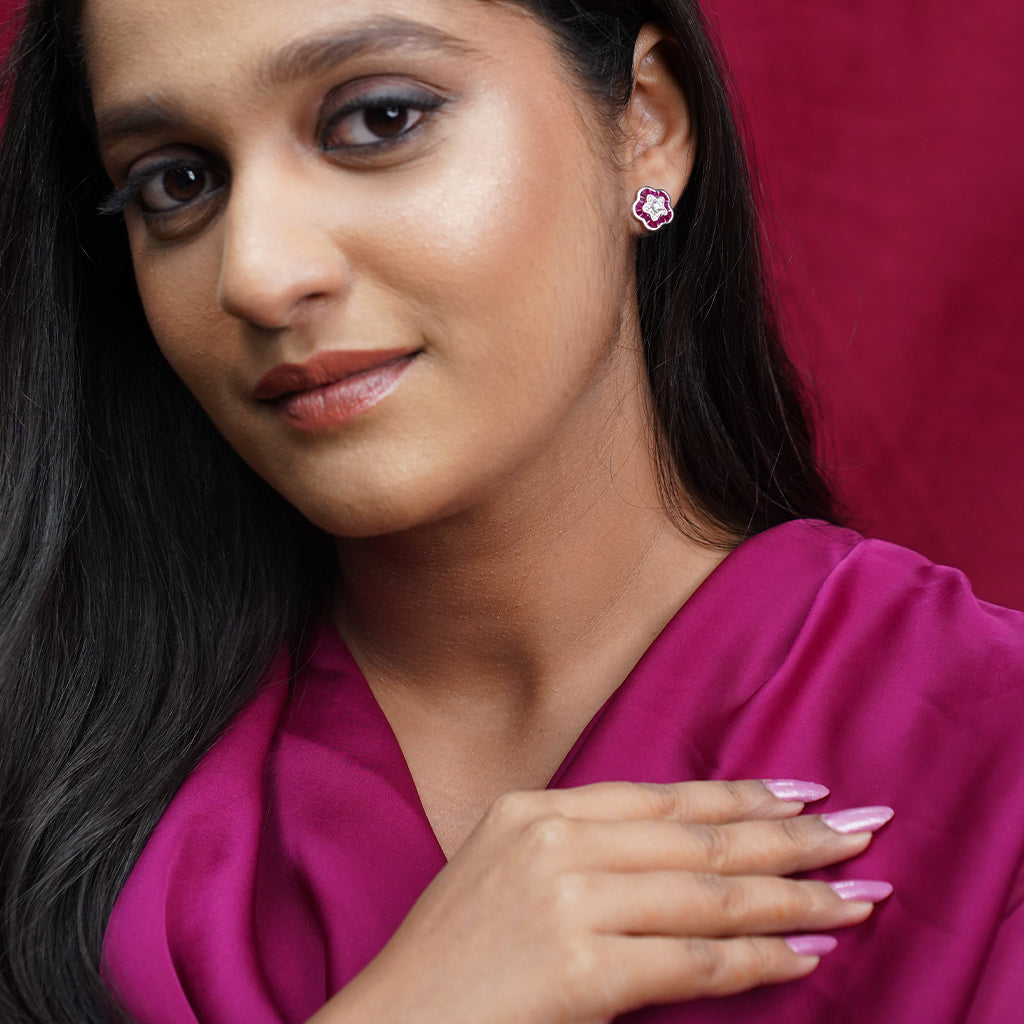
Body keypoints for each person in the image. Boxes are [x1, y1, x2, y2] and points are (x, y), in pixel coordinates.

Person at [0, 0, 1021, 1022]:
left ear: (647, 126)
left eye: (377, 121)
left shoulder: (990, 756)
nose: (258, 275)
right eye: (176, 182)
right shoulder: (51, 782)